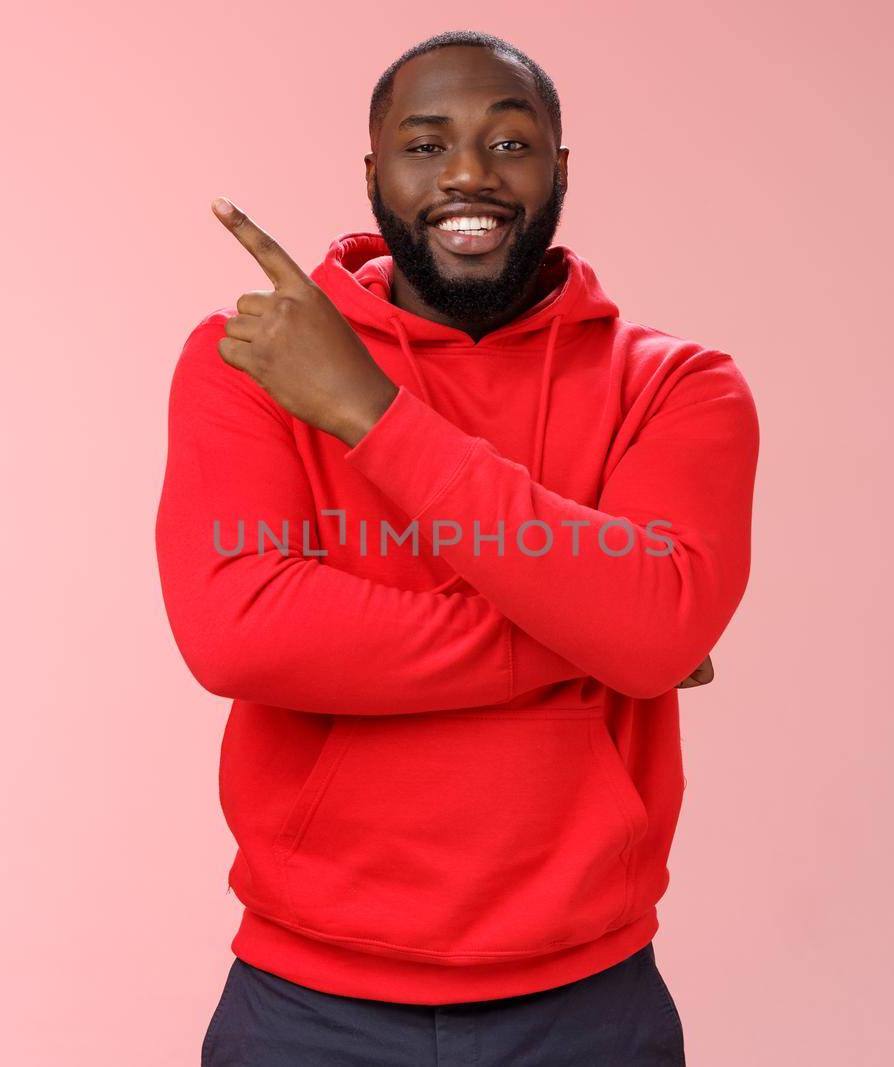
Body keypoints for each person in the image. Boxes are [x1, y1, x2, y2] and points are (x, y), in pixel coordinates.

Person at [155, 29, 758, 1066]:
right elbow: (241, 635)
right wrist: (600, 635)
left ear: (559, 170)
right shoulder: (251, 357)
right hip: (305, 1007)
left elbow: (654, 624)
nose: (469, 174)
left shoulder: (677, 384)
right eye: (426, 144)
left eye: (509, 142)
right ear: (375, 172)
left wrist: (370, 415)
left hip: (587, 1003)